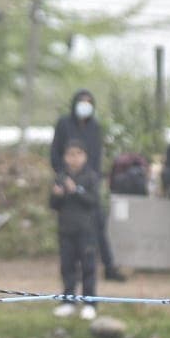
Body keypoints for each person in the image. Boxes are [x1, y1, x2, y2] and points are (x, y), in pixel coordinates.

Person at [50, 88, 126, 282]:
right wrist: (63, 176)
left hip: (89, 180)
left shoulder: (95, 126)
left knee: (98, 222)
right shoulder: (64, 123)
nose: (85, 106)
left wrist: (92, 178)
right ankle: (70, 275)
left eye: (88, 102)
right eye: (81, 101)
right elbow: (55, 152)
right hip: (66, 178)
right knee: (69, 228)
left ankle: (108, 267)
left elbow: (97, 155)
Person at [50, 140, 99, 321]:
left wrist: (75, 190)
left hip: (86, 230)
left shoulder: (91, 177)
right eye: (70, 154)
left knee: (88, 268)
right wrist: (57, 195)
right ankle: (68, 302)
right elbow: (53, 205)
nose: (74, 158)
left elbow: (93, 201)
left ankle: (89, 303)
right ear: (65, 157)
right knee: (67, 267)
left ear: (85, 156)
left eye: (78, 154)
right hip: (66, 229)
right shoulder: (61, 177)